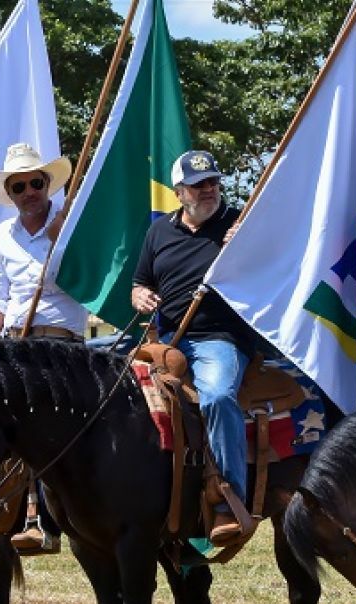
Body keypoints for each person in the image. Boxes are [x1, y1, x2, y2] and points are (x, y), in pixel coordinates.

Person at [131, 150, 255, 547]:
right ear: (179, 192)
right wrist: (140, 295)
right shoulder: (158, 232)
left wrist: (248, 247)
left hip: (219, 337)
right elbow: (140, 283)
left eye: (213, 182)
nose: (209, 190)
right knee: (115, 392)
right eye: (198, 185)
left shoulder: (240, 223)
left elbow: (274, 269)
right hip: (166, 341)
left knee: (217, 396)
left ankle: (229, 497)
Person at [0, 142, 87, 555]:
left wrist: (64, 244)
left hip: (61, 343)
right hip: (15, 344)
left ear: (47, 185)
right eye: (19, 187)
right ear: (10, 194)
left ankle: (42, 520)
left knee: (35, 413)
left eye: (35, 184)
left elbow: (92, 279)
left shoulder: (71, 225)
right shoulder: (3, 235)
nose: (29, 193)